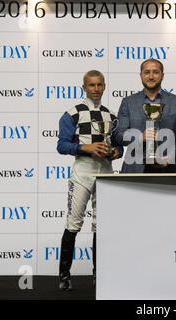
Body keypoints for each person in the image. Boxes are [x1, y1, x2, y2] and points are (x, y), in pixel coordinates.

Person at [57, 70, 123, 291]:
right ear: (83, 87)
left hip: (105, 172)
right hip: (82, 173)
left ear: (104, 86)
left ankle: (99, 274)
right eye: (91, 85)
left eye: (99, 85)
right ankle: (64, 275)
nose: (96, 89)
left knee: (101, 226)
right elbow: (62, 145)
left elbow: (119, 146)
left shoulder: (112, 115)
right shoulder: (72, 113)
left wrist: (116, 152)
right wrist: (85, 147)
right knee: (73, 223)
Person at [113, 59, 176, 173]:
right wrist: (140, 137)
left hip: (168, 169)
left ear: (162, 75)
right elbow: (118, 135)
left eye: (155, 72)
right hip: (135, 168)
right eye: (147, 72)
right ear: (141, 75)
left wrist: (170, 157)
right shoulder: (128, 102)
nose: (151, 76)